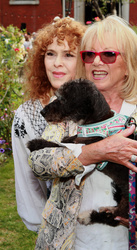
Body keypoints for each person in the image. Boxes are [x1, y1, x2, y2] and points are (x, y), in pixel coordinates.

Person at [29, 15, 137, 249]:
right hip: (73, 241)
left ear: (129, 63)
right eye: (89, 54)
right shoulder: (71, 106)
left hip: (134, 241)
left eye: (108, 54)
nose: (97, 62)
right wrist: (96, 151)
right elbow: (39, 162)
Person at [11, 17, 86, 233]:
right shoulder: (27, 115)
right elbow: (27, 180)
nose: (56, 63)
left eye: (68, 55)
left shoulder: (100, 106)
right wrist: (42, 226)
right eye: (50, 53)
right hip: (54, 227)